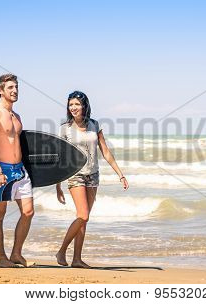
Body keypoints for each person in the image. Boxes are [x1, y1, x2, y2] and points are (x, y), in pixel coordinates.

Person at [56, 91, 129, 268]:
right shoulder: (65, 127)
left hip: (93, 175)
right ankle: (61, 251)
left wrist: (120, 174)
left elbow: (105, 151)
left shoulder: (95, 125)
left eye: (77, 104)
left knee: (84, 219)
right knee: (83, 214)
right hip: (75, 175)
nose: (73, 107)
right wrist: (57, 184)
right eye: (71, 104)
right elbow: (60, 156)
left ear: (84, 106)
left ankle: (77, 259)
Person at [0, 74, 35, 268]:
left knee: (28, 211)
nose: (15, 91)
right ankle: (1, 258)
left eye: (16, 87)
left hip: (19, 170)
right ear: (0, 90)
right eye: (10, 88)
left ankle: (16, 253)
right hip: (2, 170)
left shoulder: (17, 116)